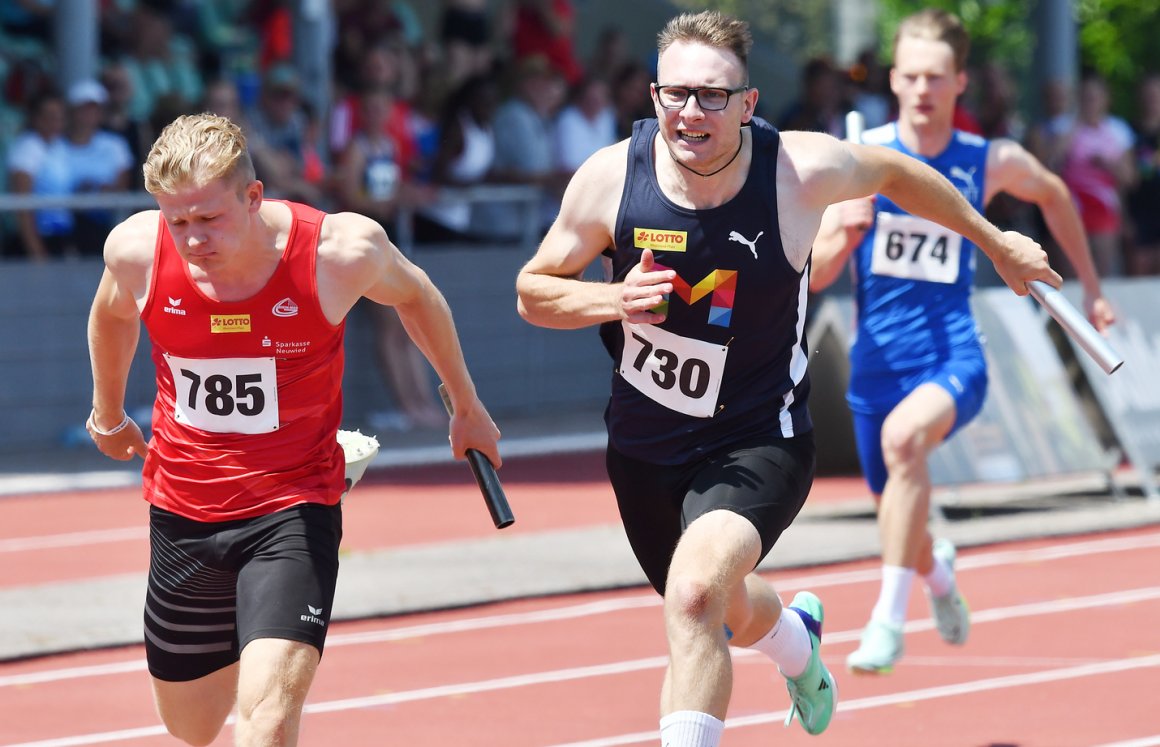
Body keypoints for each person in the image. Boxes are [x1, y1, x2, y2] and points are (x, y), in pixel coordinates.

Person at [516, 9, 1064, 744]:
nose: (691, 112)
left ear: (748, 103)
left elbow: (899, 172)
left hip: (758, 437)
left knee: (695, 592)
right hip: (644, 444)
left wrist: (997, 244)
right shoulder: (611, 177)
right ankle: (799, 645)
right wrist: (612, 299)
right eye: (675, 93)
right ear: (653, 98)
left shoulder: (798, 171)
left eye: (713, 96)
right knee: (722, 606)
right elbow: (533, 291)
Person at [85, 112, 500, 746]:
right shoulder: (137, 250)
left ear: (254, 197)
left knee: (268, 715)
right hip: (183, 506)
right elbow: (113, 315)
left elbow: (417, 296)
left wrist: (464, 404)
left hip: (293, 504)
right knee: (191, 727)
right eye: (179, 221)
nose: (192, 240)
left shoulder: (337, 252)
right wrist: (107, 413)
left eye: (210, 219)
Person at [809, 9, 1115, 676]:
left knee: (903, 444)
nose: (922, 88)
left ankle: (888, 620)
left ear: (960, 83)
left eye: (936, 77)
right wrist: (844, 233)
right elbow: (820, 274)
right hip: (875, 364)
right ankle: (937, 574)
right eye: (911, 75)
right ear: (893, 79)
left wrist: (1091, 288)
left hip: (952, 352)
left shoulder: (986, 159)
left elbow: (1057, 194)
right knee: (898, 504)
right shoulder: (860, 159)